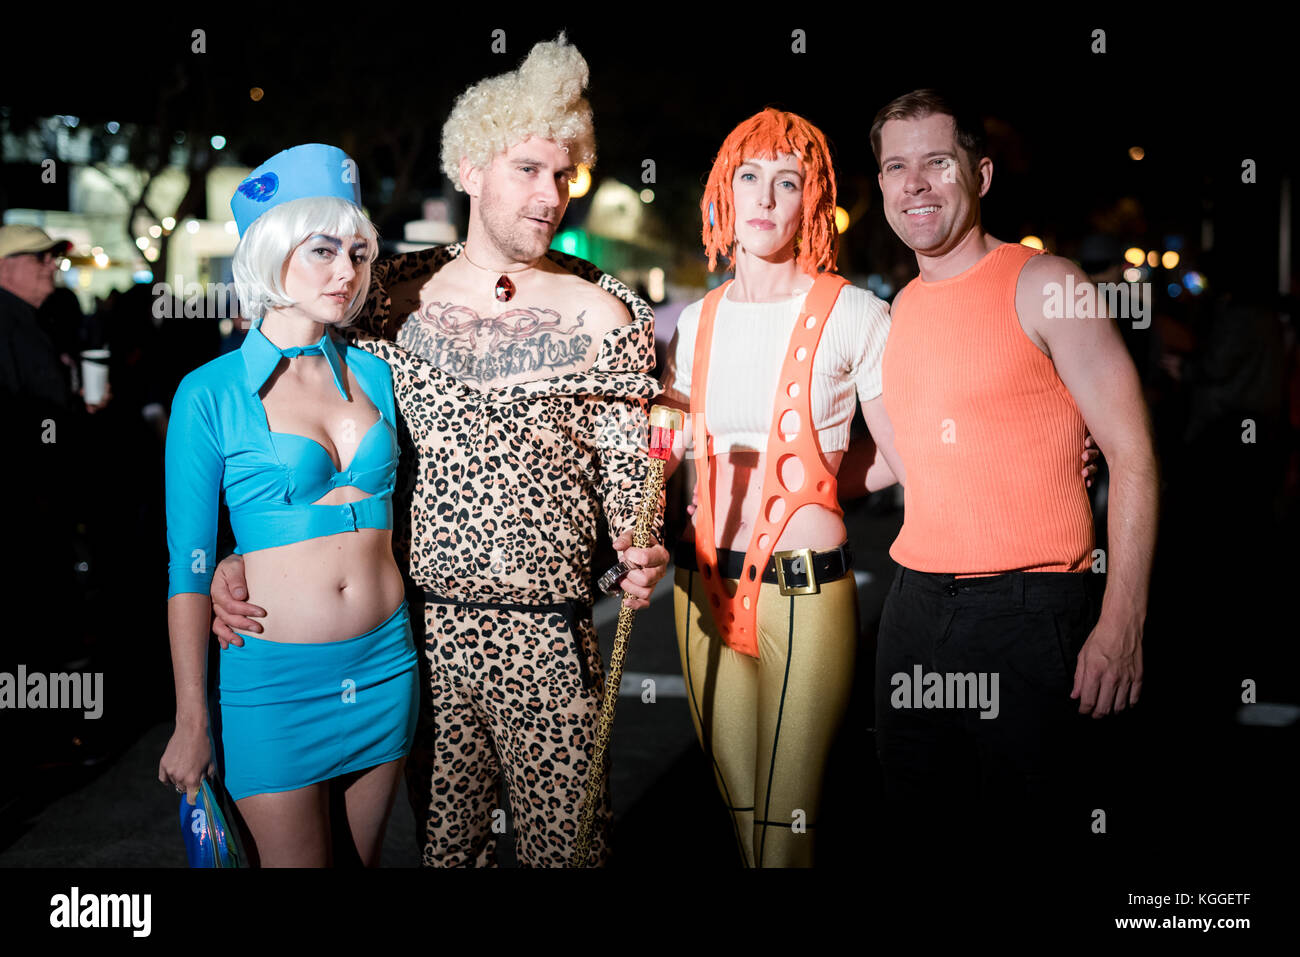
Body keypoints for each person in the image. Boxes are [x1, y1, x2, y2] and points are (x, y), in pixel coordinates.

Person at [208, 36, 670, 867]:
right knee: (448, 853)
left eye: (564, 174)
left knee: (570, 855)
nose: (551, 194)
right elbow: (296, 424)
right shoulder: (384, 300)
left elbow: (633, 482)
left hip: (552, 638)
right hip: (417, 637)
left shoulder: (606, 311)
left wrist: (644, 547)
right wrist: (246, 553)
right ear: (469, 167)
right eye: (528, 169)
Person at [867, 90, 1158, 852]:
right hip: (911, 611)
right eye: (896, 167)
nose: (915, 183)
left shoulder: (1047, 284)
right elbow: (910, 458)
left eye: (937, 162)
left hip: (1029, 617)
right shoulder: (898, 311)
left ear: (982, 174)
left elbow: (1133, 453)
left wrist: (1123, 622)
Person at [158, 144, 418, 867]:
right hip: (274, 682)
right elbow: (187, 569)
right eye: (322, 250)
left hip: (386, 663)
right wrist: (191, 720)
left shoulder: (376, 374)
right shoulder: (208, 392)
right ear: (272, 252)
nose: (347, 272)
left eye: (358, 253)